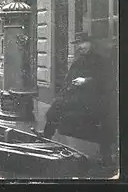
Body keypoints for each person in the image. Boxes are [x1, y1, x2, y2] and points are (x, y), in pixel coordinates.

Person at [34, 32, 115, 165]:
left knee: (100, 122)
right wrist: (64, 93)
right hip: (78, 98)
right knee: (55, 108)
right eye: (77, 44)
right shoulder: (78, 61)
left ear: (90, 43)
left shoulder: (100, 60)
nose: (79, 47)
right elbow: (68, 80)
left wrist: (86, 81)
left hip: (96, 98)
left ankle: (106, 154)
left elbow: (105, 81)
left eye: (82, 43)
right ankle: (46, 137)